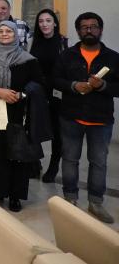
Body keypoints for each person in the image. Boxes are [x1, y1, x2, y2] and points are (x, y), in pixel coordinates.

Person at [53, 12, 119, 223]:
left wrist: (104, 86)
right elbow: (54, 80)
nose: (89, 30)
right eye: (84, 27)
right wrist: (73, 86)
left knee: (98, 162)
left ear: (100, 29)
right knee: (70, 159)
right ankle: (70, 199)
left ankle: (95, 202)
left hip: (100, 119)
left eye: (93, 26)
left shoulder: (113, 57)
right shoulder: (67, 55)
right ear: (78, 31)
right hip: (71, 116)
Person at [0, 20, 43, 212]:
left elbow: (38, 84)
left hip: (16, 112)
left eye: (9, 32)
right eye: (1, 31)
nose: (4, 34)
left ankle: (15, 196)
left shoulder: (28, 59)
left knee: (16, 153)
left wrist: (21, 94)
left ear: (16, 35)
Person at [29, 9, 68, 184]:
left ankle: (53, 167)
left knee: (57, 132)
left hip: (57, 93)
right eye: (41, 21)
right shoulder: (33, 41)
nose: (44, 24)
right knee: (33, 127)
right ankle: (34, 163)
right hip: (37, 91)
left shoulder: (63, 42)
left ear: (55, 23)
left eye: (48, 20)